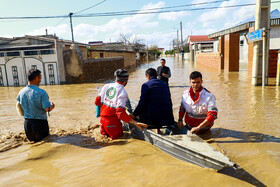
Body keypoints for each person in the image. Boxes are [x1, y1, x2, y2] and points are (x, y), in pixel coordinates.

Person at [95, 69, 147, 139]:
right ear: (126, 81)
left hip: (102, 121)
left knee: (105, 142)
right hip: (112, 123)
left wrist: (99, 111)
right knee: (118, 143)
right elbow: (120, 113)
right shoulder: (122, 92)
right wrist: (135, 122)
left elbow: (97, 100)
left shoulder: (106, 86)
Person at [17, 69, 55, 142]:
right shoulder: (41, 92)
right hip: (40, 124)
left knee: (33, 145)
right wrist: (52, 106)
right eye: (40, 77)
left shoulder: (21, 92)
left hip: (27, 124)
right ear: (37, 78)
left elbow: (19, 106)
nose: (40, 80)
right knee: (45, 146)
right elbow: (47, 109)